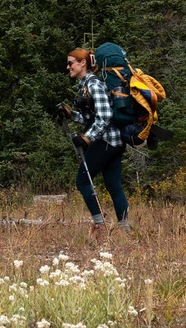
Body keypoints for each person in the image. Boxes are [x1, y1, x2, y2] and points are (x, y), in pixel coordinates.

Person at [56, 49, 129, 237]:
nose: (68, 67)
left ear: (83, 63)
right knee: (113, 184)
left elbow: (105, 116)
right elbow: (93, 118)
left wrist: (87, 137)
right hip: (115, 141)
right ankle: (124, 230)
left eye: (71, 63)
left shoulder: (93, 84)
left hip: (106, 141)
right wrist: (72, 115)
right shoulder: (85, 85)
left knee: (82, 181)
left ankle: (100, 225)